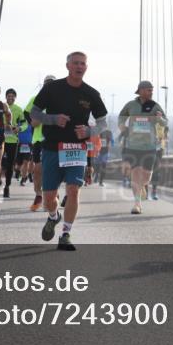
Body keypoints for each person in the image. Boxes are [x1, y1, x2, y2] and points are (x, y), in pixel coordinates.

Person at [30, 53, 108, 251]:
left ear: (86, 67)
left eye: (82, 64)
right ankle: (53, 216)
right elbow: (34, 113)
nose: (79, 66)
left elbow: (103, 123)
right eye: (75, 63)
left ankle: (66, 233)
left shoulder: (91, 93)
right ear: (67, 66)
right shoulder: (52, 88)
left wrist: (89, 131)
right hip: (52, 147)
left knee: (73, 190)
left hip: (76, 148)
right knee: (49, 198)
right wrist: (53, 119)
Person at [118, 81, 167, 214]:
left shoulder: (155, 106)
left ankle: (143, 186)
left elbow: (165, 122)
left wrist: (160, 119)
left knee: (146, 177)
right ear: (140, 91)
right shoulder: (131, 105)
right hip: (133, 145)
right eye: (148, 90)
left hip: (149, 146)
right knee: (135, 174)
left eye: (152, 90)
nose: (151, 92)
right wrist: (122, 125)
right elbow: (121, 116)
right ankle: (137, 203)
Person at [24, 75, 55, 211]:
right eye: (47, 83)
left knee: (52, 170)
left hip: (54, 139)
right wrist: (31, 122)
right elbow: (26, 112)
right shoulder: (36, 99)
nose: (49, 85)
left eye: (51, 83)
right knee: (38, 170)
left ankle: (51, 195)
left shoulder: (59, 100)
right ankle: (38, 195)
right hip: (39, 139)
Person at [0, 88, 25, 199]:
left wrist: (19, 128)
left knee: (10, 165)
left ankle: (7, 187)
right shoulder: (1, 107)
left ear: (15, 98)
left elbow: (25, 123)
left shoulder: (18, 109)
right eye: (9, 96)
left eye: (12, 96)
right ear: (6, 97)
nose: (10, 98)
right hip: (0, 139)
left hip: (13, 141)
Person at [15, 110, 35, 186]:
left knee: (26, 162)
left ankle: (23, 179)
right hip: (20, 144)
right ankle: (18, 172)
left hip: (29, 145)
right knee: (18, 164)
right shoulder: (19, 123)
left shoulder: (32, 124)